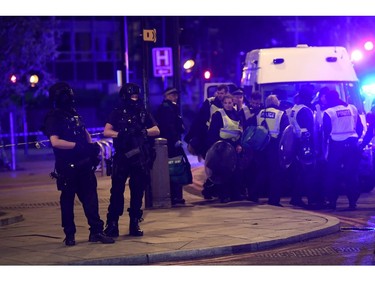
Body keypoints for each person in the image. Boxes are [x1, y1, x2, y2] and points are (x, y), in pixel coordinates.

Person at [41, 82, 115, 246]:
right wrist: (77, 146)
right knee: (67, 201)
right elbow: (55, 141)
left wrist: (90, 147)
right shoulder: (54, 117)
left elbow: (84, 132)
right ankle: (69, 234)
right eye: (65, 95)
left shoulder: (74, 114)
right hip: (67, 166)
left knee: (91, 199)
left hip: (84, 164)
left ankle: (96, 231)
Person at [103, 83, 160, 237]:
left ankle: (134, 222)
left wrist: (143, 131)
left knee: (137, 192)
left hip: (139, 157)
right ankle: (112, 223)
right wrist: (120, 134)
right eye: (131, 95)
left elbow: (156, 130)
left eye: (136, 95)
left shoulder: (142, 112)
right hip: (122, 156)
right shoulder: (117, 112)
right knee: (116, 192)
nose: (134, 98)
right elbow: (107, 131)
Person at [184, 84, 228, 199]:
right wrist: (190, 137)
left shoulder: (228, 104)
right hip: (210, 139)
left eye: (222, 93)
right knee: (214, 165)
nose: (220, 95)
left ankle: (213, 191)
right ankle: (210, 190)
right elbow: (199, 120)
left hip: (222, 140)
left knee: (219, 167)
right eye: (218, 93)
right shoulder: (209, 103)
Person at [322, 90, 363, 210]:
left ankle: (332, 201)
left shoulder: (329, 112)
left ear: (329, 99)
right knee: (352, 173)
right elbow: (359, 126)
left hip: (336, 145)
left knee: (332, 174)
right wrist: (355, 138)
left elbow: (326, 131)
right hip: (352, 143)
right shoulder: (352, 108)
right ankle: (352, 202)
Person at [253, 94, 289, 206]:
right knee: (276, 174)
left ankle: (253, 195)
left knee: (261, 171)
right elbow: (286, 132)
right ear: (277, 103)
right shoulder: (281, 114)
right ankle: (274, 200)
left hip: (261, 146)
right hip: (274, 146)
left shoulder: (259, 113)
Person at [206, 93, 243, 202]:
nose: (228, 105)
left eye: (230, 103)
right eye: (225, 103)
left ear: (233, 103)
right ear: (222, 103)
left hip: (234, 145)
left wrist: (239, 144)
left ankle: (235, 194)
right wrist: (216, 146)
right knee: (223, 171)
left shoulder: (237, 115)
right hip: (222, 146)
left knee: (235, 170)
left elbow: (240, 131)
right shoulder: (218, 115)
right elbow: (212, 132)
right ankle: (223, 195)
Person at [155, 87, 188, 205]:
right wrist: (175, 139)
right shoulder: (167, 108)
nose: (176, 97)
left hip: (171, 141)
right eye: (173, 95)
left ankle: (175, 195)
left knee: (175, 167)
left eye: (176, 95)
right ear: (167, 96)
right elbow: (169, 126)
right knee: (174, 168)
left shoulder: (170, 107)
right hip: (170, 143)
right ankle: (174, 195)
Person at [286, 89, 315, 209]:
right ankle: (310, 200)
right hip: (305, 142)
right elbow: (310, 128)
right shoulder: (306, 110)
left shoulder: (293, 109)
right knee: (307, 172)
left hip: (295, 142)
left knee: (297, 172)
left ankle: (295, 197)